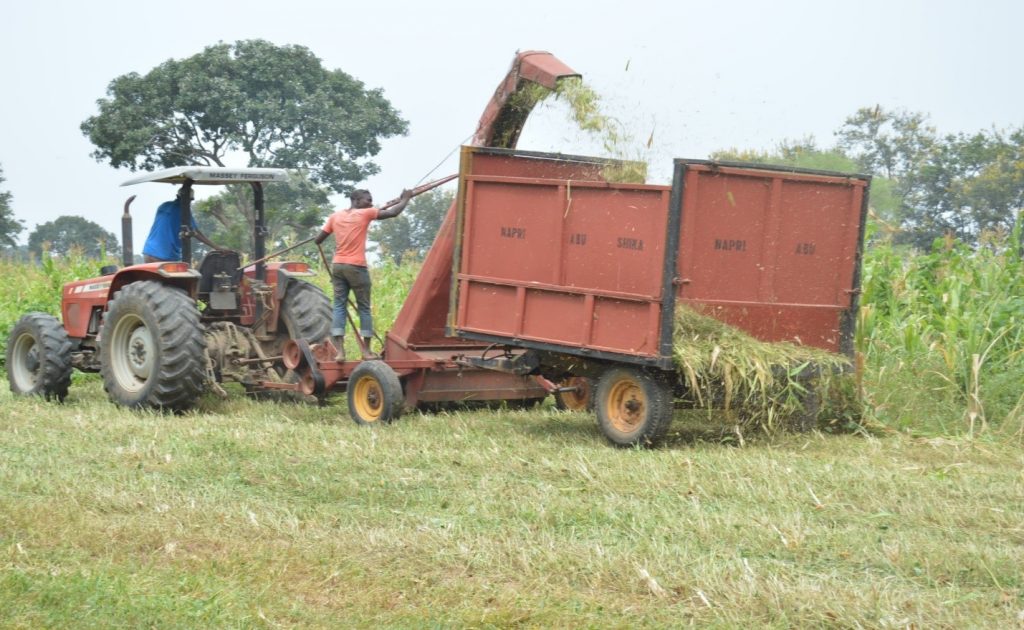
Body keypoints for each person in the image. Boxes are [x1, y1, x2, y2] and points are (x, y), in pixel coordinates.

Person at [315, 187, 413, 361]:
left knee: (339, 306)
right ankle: (366, 352)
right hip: (356, 267)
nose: (371, 203)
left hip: (338, 266)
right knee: (364, 308)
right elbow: (393, 213)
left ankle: (340, 353)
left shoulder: (335, 216)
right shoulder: (365, 214)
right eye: (368, 200)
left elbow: (318, 240)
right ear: (356, 200)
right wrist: (406, 198)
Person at [142, 186, 222, 262]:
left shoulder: (164, 206)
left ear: (177, 196)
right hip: (164, 255)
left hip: (149, 251)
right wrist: (217, 247)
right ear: (191, 199)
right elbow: (196, 232)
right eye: (190, 200)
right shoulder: (184, 211)